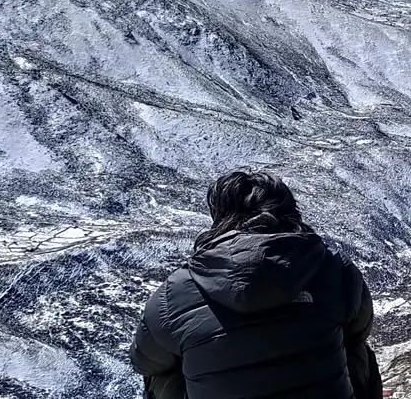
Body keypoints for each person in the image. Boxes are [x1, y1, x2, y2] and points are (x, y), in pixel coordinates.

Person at [131, 170, 381, 399]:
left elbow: (144, 362)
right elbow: (361, 328)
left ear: (218, 218)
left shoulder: (175, 293)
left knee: (163, 370)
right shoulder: (334, 268)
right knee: (356, 347)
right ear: (290, 213)